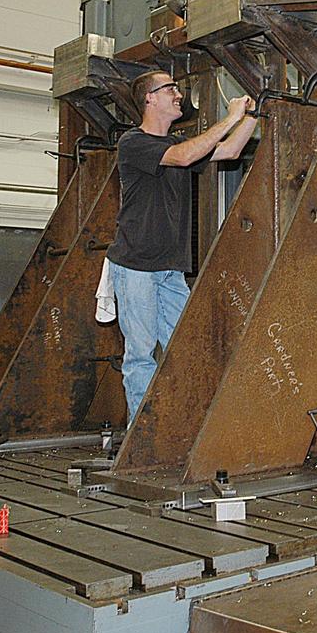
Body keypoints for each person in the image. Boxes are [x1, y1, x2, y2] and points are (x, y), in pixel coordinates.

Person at [106, 70, 257, 425]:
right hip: (136, 266)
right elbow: (185, 156)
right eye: (170, 88)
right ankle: (140, 436)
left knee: (190, 345)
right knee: (141, 355)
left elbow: (231, 150)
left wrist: (255, 114)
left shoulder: (176, 146)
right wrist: (230, 117)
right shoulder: (134, 143)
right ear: (149, 98)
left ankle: (183, 427)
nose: (178, 94)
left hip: (169, 270)